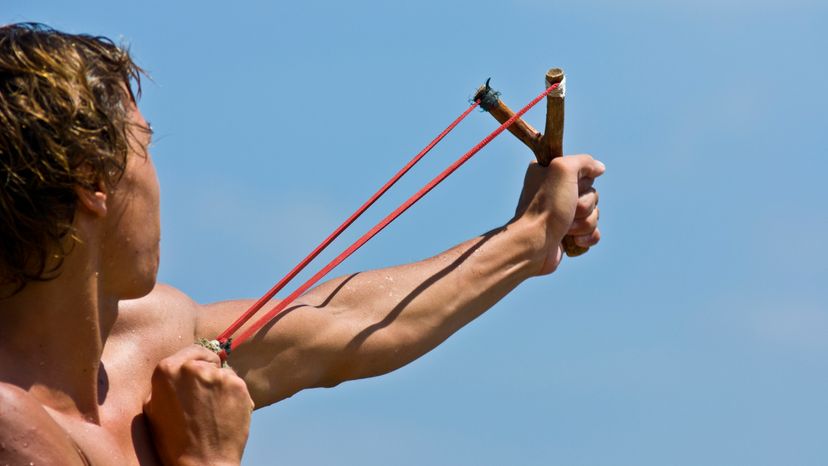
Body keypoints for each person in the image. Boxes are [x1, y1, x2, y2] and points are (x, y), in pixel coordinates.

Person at [0, 23, 605, 465]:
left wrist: (528, 238)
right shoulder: (13, 429)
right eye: (145, 143)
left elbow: (344, 323)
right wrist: (206, 460)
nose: (157, 176)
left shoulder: (146, 336)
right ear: (93, 181)